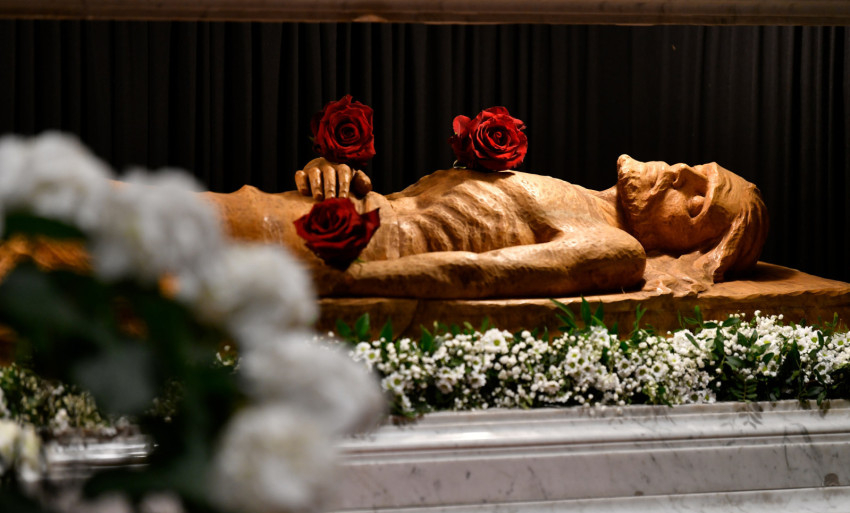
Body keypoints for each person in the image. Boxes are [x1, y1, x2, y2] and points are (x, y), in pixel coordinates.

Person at [203, 154, 768, 299]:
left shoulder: (614, 248)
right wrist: (335, 175)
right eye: (698, 167)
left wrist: (344, 284)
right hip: (307, 216)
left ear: (697, 252)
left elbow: (478, 276)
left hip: (325, 249)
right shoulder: (574, 195)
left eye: (697, 201)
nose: (679, 174)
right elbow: (411, 202)